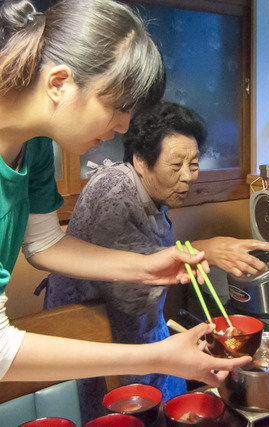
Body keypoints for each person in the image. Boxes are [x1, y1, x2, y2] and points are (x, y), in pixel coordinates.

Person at [0, 0, 251, 389]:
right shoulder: (111, 185)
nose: (122, 126)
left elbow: (45, 243)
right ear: (59, 83)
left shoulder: (33, 147)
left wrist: (144, 267)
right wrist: (158, 356)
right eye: (116, 106)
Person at [41, 101, 269, 420]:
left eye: (193, 163)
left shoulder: (150, 192)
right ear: (140, 160)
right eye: (176, 165)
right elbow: (132, 292)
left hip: (136, 329)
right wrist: (205, 248)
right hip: (91, 331)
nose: (188, 177)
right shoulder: (114, 194)